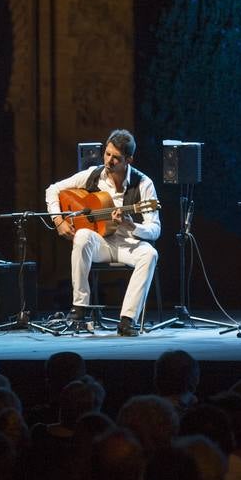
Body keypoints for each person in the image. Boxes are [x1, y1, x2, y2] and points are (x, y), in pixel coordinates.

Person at [46, 128, 160, 336]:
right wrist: (58, 219)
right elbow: (53, 189)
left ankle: (127, 320)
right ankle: (79, 310)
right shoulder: (93, 175)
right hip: (101, 242)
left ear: (129, 160)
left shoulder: (144, 184)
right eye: (107, 154)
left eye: (116, 158)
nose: (109, 161)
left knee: (150, 254)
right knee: (81, 236)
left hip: (128, 243)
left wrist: (131, 225)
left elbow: (154, 230)